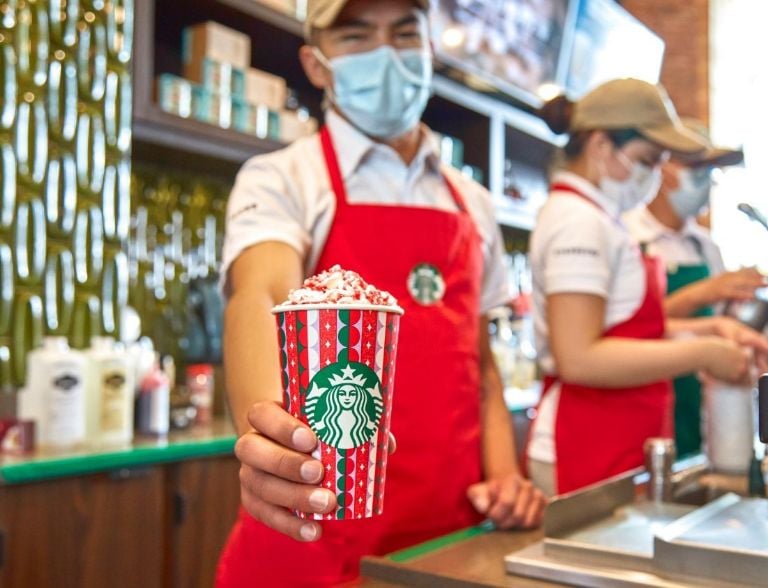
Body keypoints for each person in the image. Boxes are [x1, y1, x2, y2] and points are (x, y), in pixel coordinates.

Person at [215, 1, 547, 585]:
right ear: (316, 66)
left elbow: (481, 364)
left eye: (403, 33)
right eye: (357, 35)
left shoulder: (472, 202)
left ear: (429, 50)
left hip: (448, 547)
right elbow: (262, 293)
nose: (385, 54)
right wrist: (273, 449)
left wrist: (503, 478)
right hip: (316, 535)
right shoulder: (283, 178)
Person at [526, 79, 768, 497]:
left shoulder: (599, 218)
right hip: (583, 438)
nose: (655, 174)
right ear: (601, 146)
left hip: (615, 434)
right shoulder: (577, 221)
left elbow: (624, 332)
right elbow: (579, 357)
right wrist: (705, 352)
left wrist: (712, 331)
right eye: (648, 159)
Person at [624, 120, 766, 456]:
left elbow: (720, 325)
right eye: (697, 169)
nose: (704, 181)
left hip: (697, 401)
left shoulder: (705, 247)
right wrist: (704, 292)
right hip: (638, 394)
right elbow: (627, 326)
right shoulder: (628, 236)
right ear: (664, 167)